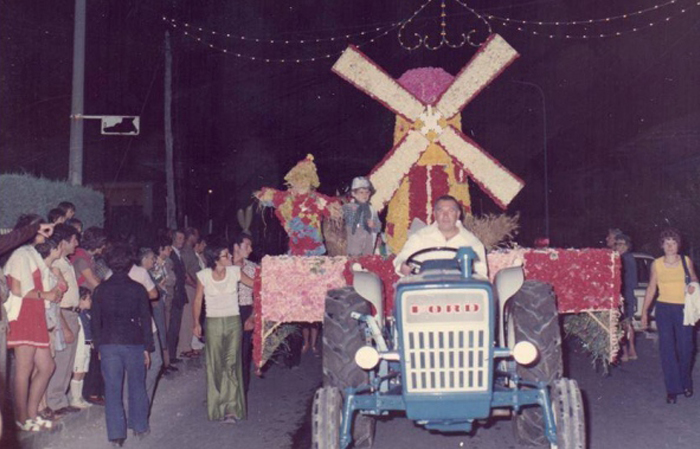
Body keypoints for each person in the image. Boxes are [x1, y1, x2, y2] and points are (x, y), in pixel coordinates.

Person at [4, 215, 62, 431]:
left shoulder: (32, 253)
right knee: (24, 368)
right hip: (24, 315)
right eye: (40, 228)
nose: (46, 232)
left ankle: (31, 413)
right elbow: (20, 290)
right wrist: (47, 294)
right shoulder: (20, 254)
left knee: (47, 366)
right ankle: (21, 418)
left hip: (36, 314)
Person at [92, 244, 153, 446]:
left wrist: (98, 347)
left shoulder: (100, 290)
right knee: (137, 385)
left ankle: (117, 435)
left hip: (109, 343)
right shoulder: (138, 289)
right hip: (134, 343)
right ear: (129, 265)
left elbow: (96, 322)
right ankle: (139, 426)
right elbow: (146, 318)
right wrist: (147, 347)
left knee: (112, 388)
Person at [192, 242, 254, 423]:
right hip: (213, 323)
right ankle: (217, 406)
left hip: (234, 322)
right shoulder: (203, 275)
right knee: (215, 364)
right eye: (226, 256)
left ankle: (231, 409)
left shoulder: (235, 271)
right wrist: (196, 323)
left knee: (232, 363)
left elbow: (254, 283)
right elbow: (197, 300)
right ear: (215, 259)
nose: (230, 258)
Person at [641, 228, 698, 404]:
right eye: (667, 243)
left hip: (683, 309)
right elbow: (651, 288)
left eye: (673, 243)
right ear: (662, 246)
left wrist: (692, 286)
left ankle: (686, 383)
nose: (670, 246)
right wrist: (644, 313)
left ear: (678, 245)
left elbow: (695, 281)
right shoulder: (656, 264)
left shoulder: (685, 261)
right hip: (664, 309)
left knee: (686, 348)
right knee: (667, 349)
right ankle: (672, 389)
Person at [394, 195, 487, 278]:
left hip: (458, 292)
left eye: (451, 211)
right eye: (441, 210)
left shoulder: (472, 242)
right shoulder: (419, 237)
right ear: (434, 214)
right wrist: (402, 266)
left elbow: (481, 274)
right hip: (425, 291)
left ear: (458, 214)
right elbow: (402, 259)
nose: (445, 216)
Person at [45, 224, 83, 416]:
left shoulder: (66, 261)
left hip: (73, 313)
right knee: (61, 359)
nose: (76, 244)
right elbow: (56, 301)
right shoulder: (56, 263)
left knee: (68, 359)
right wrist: (65, 326)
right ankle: (54, 401)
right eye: (74, 240)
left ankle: (60, 399)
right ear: (64, 241)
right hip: (64, 314)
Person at [128, 247, 163, 406]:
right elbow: (154, 294)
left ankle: (138, 399)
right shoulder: (140, 273)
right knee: (155, 362)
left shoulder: (111, 274)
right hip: (145, 324)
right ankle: (143, 399)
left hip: (126, 326)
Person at [232, 233, 257, 394]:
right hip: (227, 311)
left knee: (242, 355)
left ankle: (240, 394)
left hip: (245, 310)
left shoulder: (253, 267)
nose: (250, 249)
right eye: (246, 246)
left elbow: (258, 294)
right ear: (236, 247)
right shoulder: (223, 264)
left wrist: (253, 316)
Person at [150, 235, 175, 372]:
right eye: (167, 248)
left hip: (165, 300)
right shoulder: (154, 264)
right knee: (160, 331)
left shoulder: (166, 263)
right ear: (160, 249)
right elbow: (159, 283)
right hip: (157, 301)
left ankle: (166, 363)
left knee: (164, 330)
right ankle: (162, 364)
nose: (170, 250)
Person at [343, 176, 381, 256]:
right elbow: (348, 225)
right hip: (354, 248)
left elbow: (379, 226)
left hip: (369, 247)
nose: (365, 195)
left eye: (367, 192)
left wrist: (374, 225)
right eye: (361, 192)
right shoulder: (348, 207)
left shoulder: (372, 209)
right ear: (353, 193)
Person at [615, 234, 638, 362]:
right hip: (626, 295)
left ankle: (626, 352)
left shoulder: (625, 258)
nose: (619, 246)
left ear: (627, 246)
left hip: (624, 295)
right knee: (627, 323)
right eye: (617, 243)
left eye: (622, 244)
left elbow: (628, 280)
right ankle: (631, 350)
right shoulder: (627, 258)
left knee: (623, 324)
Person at [70, 287, 93, 409]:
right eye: (88, 299)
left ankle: (79, 397)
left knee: (83, 371)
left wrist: (91, 342)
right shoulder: (77, 315)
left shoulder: (86, 314)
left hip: (86, 345)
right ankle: (74, 398)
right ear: (81, 300)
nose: (90, 301)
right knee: (78, 371)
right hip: (80, 346)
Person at [168, 230, 188, 366]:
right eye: (179, 238)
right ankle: (169, 357)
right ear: (174, 239)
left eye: (183, 238)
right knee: (172, 326)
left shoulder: (178, 254)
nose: (182, 241)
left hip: (179, 294)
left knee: (175, 326)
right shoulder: (172, 255)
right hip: (174, 296)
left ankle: (172, 355)